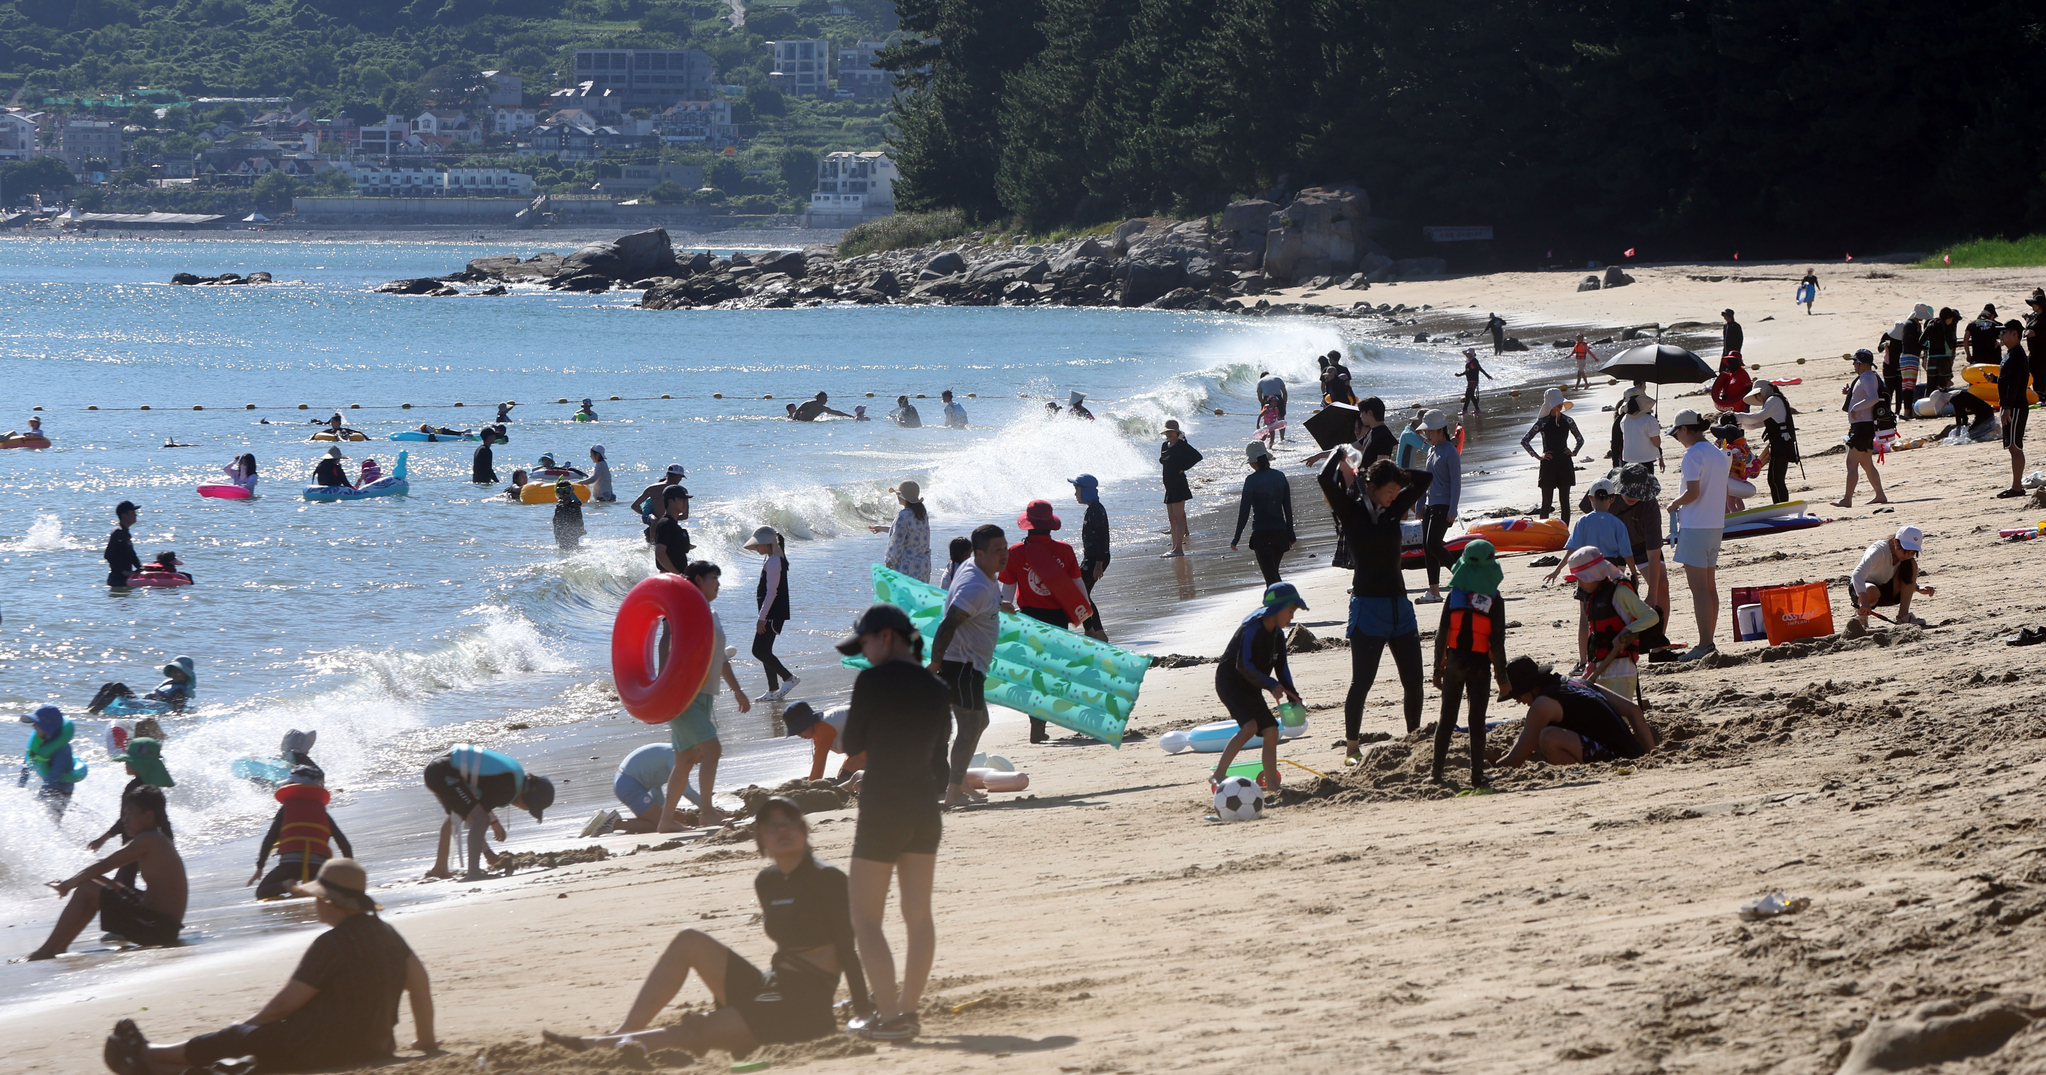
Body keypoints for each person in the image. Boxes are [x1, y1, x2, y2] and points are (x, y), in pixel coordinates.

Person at [538, 797, 870, 1055]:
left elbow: (848, 949)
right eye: (772, 826)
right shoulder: (767, 881)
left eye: (790, 823)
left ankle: (601, 1048)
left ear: (804, 830)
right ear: (760, 838)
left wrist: (863, 1011)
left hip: (804, 1006)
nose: (782, 830)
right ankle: (624, 1032)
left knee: (698, 1029)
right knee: (689, 941)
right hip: (771, 985)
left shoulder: (827, 879)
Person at [105, 858, 436, 1075]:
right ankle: (158, 1066)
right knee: (250, 1066)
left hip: (321, 1048)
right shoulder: (387, 933)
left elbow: (282, 1006)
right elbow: (419, 984)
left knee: (244, 1040)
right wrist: (425, 1039)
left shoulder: (332, 944)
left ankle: (149, 1054)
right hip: (375, 1044)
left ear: (328, 901)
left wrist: (242, 1033)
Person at [836, 604, 947, 1042]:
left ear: (885, 636)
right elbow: (940, 764)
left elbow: (854, 742)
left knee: (865, 918)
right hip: (924, 806)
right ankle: (908, 1010)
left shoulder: (871, 681)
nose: (863, 654)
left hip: (883, 806)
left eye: (864, 644)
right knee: (918, 916)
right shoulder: (936, 687)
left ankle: (889, 1017)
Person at [1317, 454, 1432, 760]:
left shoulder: (1393, 509)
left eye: (1397, 490)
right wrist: (1338, 456)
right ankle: (1352, 747)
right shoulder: (1352, 511)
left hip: (1400, 608)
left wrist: (1391, 472)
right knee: (1362, 682)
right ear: (1371, 487)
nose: (1396, 495)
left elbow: (1425, 479)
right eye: (1389, 489)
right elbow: (1325, 480)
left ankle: (1413, 738)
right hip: (1367, 609)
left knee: (1414, 681)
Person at [27, 786, 185, 959]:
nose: (124, 820)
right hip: (162, 926)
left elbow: (105, 864)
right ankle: (59, 947)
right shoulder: (159, 838)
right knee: (100, 883)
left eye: (129, 814)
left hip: (157, 929)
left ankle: (47, 950)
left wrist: (67, 885)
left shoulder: (149, 840)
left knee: (88, 887)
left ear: (148, 816)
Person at [663, 561, 751, 829]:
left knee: (686, 759)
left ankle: (665, 821)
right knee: (712, 749)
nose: (719, 584)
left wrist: (737, 690)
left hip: (704, 695)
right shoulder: (685, 612)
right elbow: (668, 646)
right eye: (715, 579)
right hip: (684, 697)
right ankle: (708, 812)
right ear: (699, 579)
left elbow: (719, 658)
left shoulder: (710, 613)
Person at [925, 524, 1005, 806]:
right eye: (997, 551)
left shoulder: (981, 571)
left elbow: (981, 604)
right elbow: (948, 624)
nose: (1004, 555)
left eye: (1004, 548)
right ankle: (953, 793)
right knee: (970, 726)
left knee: (979, 721)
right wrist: (935, 664)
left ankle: (958, 785)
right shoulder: (975, 585)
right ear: (979, 553)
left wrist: (1000, 605)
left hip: (970, 666)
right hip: (962, 666)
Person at [997, 501, 1088, 744]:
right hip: (1058, 618)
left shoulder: (1015, 553)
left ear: (1028, 524)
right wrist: (1087, 618)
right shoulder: (1064, 550)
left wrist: (1003, 618)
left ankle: (1036, 724)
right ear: (1050, 524)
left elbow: (1007, 590)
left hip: (1028, 618)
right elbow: (1079, 588)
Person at [1209, 582, 1308, 793]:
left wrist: (1293, 696)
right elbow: (1243, 665)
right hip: (1230, 682)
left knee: (1271, 731)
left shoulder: (1278, 636)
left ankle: (1273, 785)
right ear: (1276, 609)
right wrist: (1270, 684)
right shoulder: (1252, 629)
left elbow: (1282, 669)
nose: (1291, 617)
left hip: (1251, 684)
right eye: (1290, 611)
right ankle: (1218, 774)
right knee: (1250, 726)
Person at [1431, 541, 1510, 787]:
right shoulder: (1495, 600)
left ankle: (1436, 774)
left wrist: (1437, 669)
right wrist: (1503, 679)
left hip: (1454, 662)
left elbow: (1441, 635)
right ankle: (1477, 776)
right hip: (1478, 667)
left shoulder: (1454, 597)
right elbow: (1496, 643)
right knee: (1477, 720)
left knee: (1446, 719)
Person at [421, 744, 553, 881]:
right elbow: (477, 819)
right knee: (479, 819)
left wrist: (494, 825)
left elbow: (472, 811)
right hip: (444, 772)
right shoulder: (507, 788)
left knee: (455, 817)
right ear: (528, 797)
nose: (525, 809)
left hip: (438, 767)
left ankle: (440, 868)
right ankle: (473, 872)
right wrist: (488, 851)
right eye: (529, 807)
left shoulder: (513, 776)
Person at [1495, 657, 1654, 768]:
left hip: (1615, 760)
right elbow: (1634, 710)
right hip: (1633, 752)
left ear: (1529, 687)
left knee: (1548, 737)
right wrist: (1651, 756)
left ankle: (1581, 773)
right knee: (1538, 737)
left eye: (1516, 695)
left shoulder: (1542, 704)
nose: (1517, 701)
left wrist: (1486, 772)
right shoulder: (1579, 682)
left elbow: (1515, 759)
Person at [1665, 409, 1729, 660]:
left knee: (1699, 589)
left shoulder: (1693, 454)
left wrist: (1673, 504)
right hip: (1715, 525)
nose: (1677, 439)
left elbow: (1693, 493)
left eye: (1677, 434)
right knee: (1709, 587)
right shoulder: (1717, 452)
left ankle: (1704, 644)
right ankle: (1708, 642)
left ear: (1685, 430)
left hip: (1696, 525)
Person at [1563, 547, 1659, 702]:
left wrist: (1626, 632)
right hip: (1601, 670)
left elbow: (1651, 616)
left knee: (1619, 719)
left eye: (1581, 578)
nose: (1579, 583)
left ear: (1594, 574)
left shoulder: (1620, 592)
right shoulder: (1592, 597)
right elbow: (1596, 639)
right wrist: (1589, 669)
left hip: (1622, 672)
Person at [249, 767, 354, 900]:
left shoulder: (286, 808)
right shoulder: (321, 811)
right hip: (318, 866)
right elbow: (344, 844)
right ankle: (318, 886)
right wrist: (351, 872)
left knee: (262, 892)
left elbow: (269, 839)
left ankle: (286, 885)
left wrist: (260, 867)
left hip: (290, 865)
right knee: (329, 889)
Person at [1608, 465, 1672, 653]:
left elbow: (1654, 553)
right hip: (1613, 546)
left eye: (1637, 493)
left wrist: (1652, 594)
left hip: (1642, 545)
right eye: (1629, 492)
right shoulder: (1606, 491)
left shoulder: (1649, 504)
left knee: (1662, 586)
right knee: (1612, 593)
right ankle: (1613, 645)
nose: (1632, 496)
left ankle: (1657, 646)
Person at [1543, 479, 1633, 585]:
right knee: (1611, 595)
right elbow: (1626, 552)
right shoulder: (1618, 523)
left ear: (1590, 498)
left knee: (1586, 598)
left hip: (1590, 564)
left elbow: (1573, 549)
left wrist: (1557, 570)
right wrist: (1634, 573)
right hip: (1612, 565)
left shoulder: (1583, 522)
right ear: (1612, 498)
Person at [1231, 441, 1296, 584]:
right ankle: (1281, 603)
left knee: (1271, 579)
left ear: (1252, 462)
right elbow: (1288, 508)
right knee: (1273, 575)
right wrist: (1291, 533)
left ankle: (1280, 603)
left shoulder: (1251, 481)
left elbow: (1244, 512)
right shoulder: (1280, 476)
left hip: (1262, 535)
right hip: (1280, 533)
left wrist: (1236, 538)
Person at [747, 526, 799, 700]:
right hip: (771, 613)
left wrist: (762, 618)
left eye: (758, 545)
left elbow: (772, 592)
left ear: (767, 544)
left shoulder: (775, 561)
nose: (756, 548)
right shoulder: (773, 559)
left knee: (758, 650)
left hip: (772, 614)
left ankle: (789, 678)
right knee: (764, 650)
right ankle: (772, 690)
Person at [1849, 524, 1931, 629]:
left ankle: (1903, 616)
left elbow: (1900, 578)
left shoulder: (1905, 559)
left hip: (1885, 590)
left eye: (1912, 553)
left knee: (1911, 565)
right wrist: (1864, 599)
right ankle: (1861, 616)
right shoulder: (1878, 550)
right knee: (1872, 591)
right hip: (1861, 590)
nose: (1908, 556)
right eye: (1905, 551)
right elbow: (1857, 573)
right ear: (1896, 542)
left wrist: (1917, 588)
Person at [1521, 388, 1584, 522]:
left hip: (1565, 463)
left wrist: (1573, 452)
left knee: (1565, 502)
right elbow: (1525, 441)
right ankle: (1543, 533)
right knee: (1546, 503)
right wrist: (1538, 456)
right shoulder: (1542, 422)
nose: (1560, 405)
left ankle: (1565, 532)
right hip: (1548, 464)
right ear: (1549, 404)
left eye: (1560, 402)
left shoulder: (1568, 421)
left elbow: (1580, 439)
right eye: (1556, 403)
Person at [1837, 350, 1889, 507]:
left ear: (1861, 363)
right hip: (1863, 426)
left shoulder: (1867, 377)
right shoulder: (1865, 377)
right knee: (1866, 463)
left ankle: (1847, 499)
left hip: (1862, 426)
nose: (1853, 365)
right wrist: (1850, 394)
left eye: (1855, 362)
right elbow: (1866, 395)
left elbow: (1873, 398)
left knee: (1851, 463)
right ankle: (1880, 495)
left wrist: (1855, 408)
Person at [18, 704, 87, 821]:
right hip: (48, 785)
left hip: (62, 791)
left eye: (37, 723)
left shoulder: (63, 751)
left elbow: (54, 778)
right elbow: (27, 761)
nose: (33, 726)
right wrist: (20, 786)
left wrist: (39, 801)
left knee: (51, 821)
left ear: (48, 726)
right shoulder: (40, 741)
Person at [1419, 409, 1461, 603]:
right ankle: (1434, 592)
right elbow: (1427, 480)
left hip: (1444, 505)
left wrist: (1453, 509)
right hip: (1429, 505)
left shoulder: (1450, 451)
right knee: (1428, 549)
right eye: (1426, 431)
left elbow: (1456, 482)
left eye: (1430, 431)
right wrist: (1420, 503)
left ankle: (1463, 577)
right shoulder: (1431, 450)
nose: (1427, 435)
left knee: (1433, 544)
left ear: (1440, 430)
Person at [1737, 382, 1799, 504]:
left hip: (1782, 444)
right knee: (1775, 479)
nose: (1758, 399)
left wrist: (1737, 416)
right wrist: (1737, 424)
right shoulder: (1772, 402)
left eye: (1758, 395)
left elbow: (1758, 417)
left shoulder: (1774, 400)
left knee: (1776, 479)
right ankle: (1780, 506)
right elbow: (1755, 424)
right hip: (1778, 444)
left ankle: (1782, 508)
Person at [604, 744, 684, 835]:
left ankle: (613, 823)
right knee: (661, 824)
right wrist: (703, 809)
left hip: (623, 781)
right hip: (628, 784)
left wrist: (664, 810)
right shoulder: (675, 757)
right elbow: (686, 790)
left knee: (657, 823)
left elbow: (655, 787)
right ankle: (614, 823)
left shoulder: (671, 752)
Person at [1068, 474, 1111, 640]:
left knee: (1080, 594)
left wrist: (1099, 564)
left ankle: (1098, 632)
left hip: (1096, 560)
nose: (1075, 494)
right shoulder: (1093, 509)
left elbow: (1102, 539)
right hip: (1093, 559)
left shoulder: (1096, 511)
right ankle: (1091, 630)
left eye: (1077, 490)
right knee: (1081, 594)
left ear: (1086, 491)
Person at [87, 656, 197, 715]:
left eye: (179, 671)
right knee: (109, 685)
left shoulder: (179, 692)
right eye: (173, 670)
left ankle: (94, 712)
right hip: (142, 700)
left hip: (146, 706)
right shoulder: (171, 683)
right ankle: (89, 708)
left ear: (187, 675)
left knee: (117, 686)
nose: (175, 673)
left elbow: (175, 709)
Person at [869, 480, 931, 581]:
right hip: (923, 567)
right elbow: (910, 534)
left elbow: (897, 543)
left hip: (907, 568)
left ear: (903, 497)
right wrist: (882, 528)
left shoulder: (903, 515)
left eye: (898, 494)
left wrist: (889, 562)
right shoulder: (922, 514)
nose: (897, 496)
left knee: (902, 596)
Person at [786, 703, 862, 784]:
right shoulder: (820, 726)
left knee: (847, 779)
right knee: (845, 777)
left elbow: (819, 763)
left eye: (798, 730)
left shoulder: (823, 729)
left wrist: (811, 784)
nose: (798, 735)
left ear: (807, 723)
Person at [1997, 320, 2031, 498]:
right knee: (2012, 446)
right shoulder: (2010, 353)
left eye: (2004, 332)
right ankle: (2016, 486)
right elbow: (2007, 380)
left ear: (2015, 334)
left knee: (2015, 446)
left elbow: (2015, 384)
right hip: (2012, 405)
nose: (2001, 335)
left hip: (2016, 406)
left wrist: (2007, 407)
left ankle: (2017, 487)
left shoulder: (2017, 354)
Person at [1159, 419, 1203, 557]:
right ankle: (1174, 548)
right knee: (1172, 518)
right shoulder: (1165, 445)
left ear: (1177, 432)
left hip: (1178, 484)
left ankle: (1179, 550)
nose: (1170, 433)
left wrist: (1183, 468)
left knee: (1178, 518)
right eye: (1167, 431)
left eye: (1172, 431)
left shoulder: (1182, 445)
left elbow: (1197, 456)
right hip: (1169, 486)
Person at [1617, 387, 1663, 471]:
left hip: (1628, 460)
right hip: (1646, 460)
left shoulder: (1624, 419)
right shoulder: (1649, 420)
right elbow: (1656, 443)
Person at [652, 486, 693, 573]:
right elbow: (660, 552)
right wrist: (677, 574)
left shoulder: (673, 524)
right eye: (682, 500)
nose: (685, 503)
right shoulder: (666, 523)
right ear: (670, 501)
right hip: (670, 578)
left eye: (686, 500)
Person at [104, 500, 142, 587]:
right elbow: (108, 554)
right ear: (124, 516)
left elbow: (131, 554)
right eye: (133, 512)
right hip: (117, 580)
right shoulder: (118, 532)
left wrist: (140, 567)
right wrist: (122, 571)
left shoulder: (125, 532)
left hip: (126, 579)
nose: (135, 515)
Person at [1926, 307, 1960, 393]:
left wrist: (1930, 346)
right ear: (1948, 318)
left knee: (1930, 385)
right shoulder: (1947, 327)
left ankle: (1927, 404)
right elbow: (1950, 344)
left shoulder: (1931, 325)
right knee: (1942, 386)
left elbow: (1920, 341)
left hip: (1931, 358)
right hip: (1944, 359)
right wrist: (1951, 349)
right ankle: (1941, 405)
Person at [1456, 349, 1495, 414]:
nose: (1466, 355)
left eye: (1468, 354)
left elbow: (1480, 369)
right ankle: (1477, 409)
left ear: (1471, 354)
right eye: (1466, 354)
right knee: (1471, 395)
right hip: (1470, 381)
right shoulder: (1469, 362)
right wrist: (1459, 375)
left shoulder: (1474, 361)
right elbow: (1467, 371)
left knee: (1468, 395)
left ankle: (1464, 410)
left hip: (1473, 381)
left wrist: (1487, 375)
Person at [552, 479, 586, 550]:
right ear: (558, 493)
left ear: (571, 492)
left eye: (567, 491)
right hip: (561, 537)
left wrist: (580, 530)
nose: (564, 494)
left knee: (573, 548)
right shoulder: (559, 507)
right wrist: (557, 536)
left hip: (573, 535)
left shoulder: (575, 505)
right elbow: (555, 522)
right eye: (561, 492)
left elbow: (579, 520)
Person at [1256, 369, 1288, 439]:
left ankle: (1266, 437)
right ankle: (1282, 438)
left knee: (1266, 418)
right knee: (1281, 418)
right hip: (1278, 398)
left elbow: (1259, 396)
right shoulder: (1278, 378)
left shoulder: (1260, 381)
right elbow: (1284, 393)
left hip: (1267, 398)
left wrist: (1264, 406)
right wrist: (1284, 404)